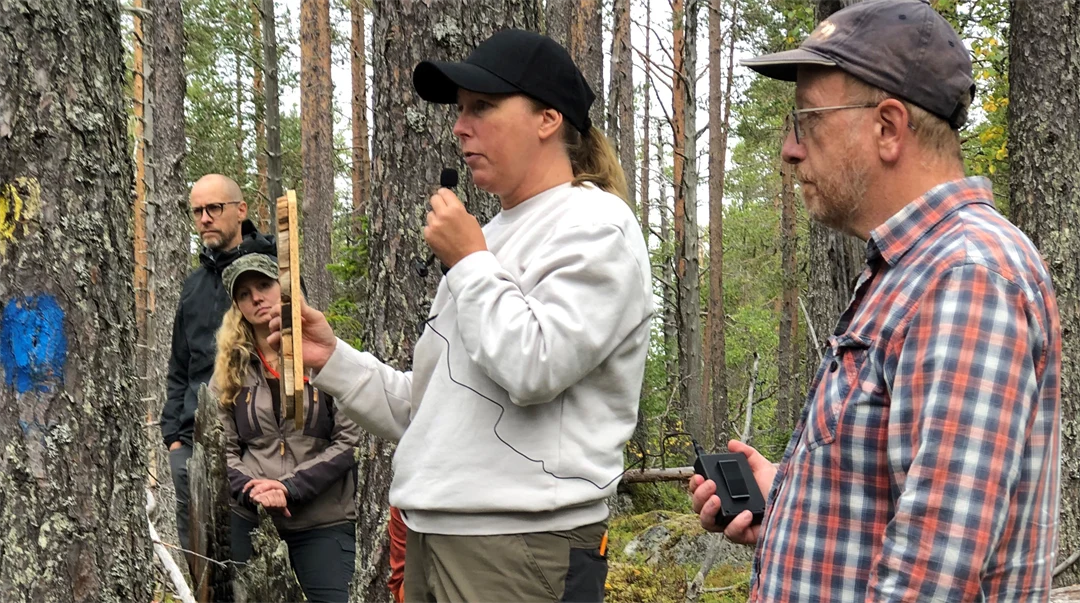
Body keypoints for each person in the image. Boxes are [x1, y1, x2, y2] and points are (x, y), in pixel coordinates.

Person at [690, 1, 1062, 601]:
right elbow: (902, 495)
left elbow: (932, 573)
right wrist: (789, 498)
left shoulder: (966, 274)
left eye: (806, 121)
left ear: (887, 128)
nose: (789, 148)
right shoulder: (912, 269)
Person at [269, 29, 653, 603]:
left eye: (482, 106)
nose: (460, 126)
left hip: (525, 548)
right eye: (460, 109)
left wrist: (469, 260)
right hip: (433, 537)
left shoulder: (596, 224)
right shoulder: (489, 237)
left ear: (548, 118)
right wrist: (331, 360)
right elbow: (428, 414)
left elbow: (534, 367)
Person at [212, 253, 362, 603]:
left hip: (323, 520)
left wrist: (289, 487)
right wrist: (254, 491)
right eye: (245, 294)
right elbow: (221, 448)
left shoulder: (325, 358)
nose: (257, 298)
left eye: (264, 285)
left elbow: (350, 441)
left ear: (285, 288)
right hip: (252, 519)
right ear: (238, 306)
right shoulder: (229, 373)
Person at [161, 174, 275, 553]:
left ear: (241, 210)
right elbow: (180, 366)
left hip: (256, 446)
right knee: (200, 560)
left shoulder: (272, 274)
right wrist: (174, 438)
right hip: (194, 445)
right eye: (198, 211)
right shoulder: (193, 286)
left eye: (214, 208)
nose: (205, 218)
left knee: (253, 561)